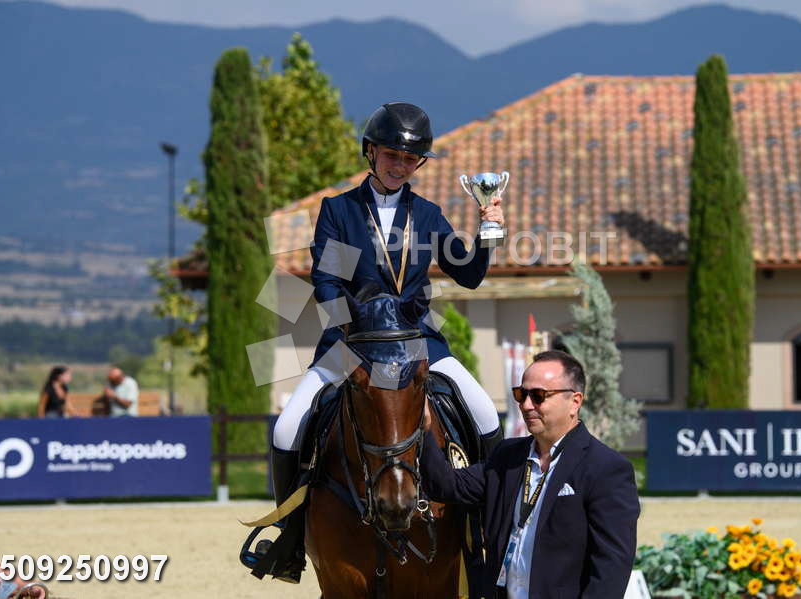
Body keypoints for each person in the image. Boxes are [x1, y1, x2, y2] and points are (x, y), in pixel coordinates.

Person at [266, 102, 505, 582]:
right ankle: (290, 539)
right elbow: (327, 280)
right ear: (371, 152)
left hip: (418, 341)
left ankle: (488, 534)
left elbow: (469, 275)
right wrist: (347, 330)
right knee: (287, 428)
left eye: (410, 159)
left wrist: (488, 229)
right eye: (392, 155)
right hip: (352, 341)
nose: (400, 165)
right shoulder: (339, 211)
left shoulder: (429, 215)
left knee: (486, 415)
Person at [420, 350, 639, 599]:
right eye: (521, 394)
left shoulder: (607, 468)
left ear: (575, 401)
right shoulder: (507, 456)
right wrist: (425, 430)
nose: (526, 405)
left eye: (538, 396)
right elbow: (445, 485)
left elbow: (610, 570)